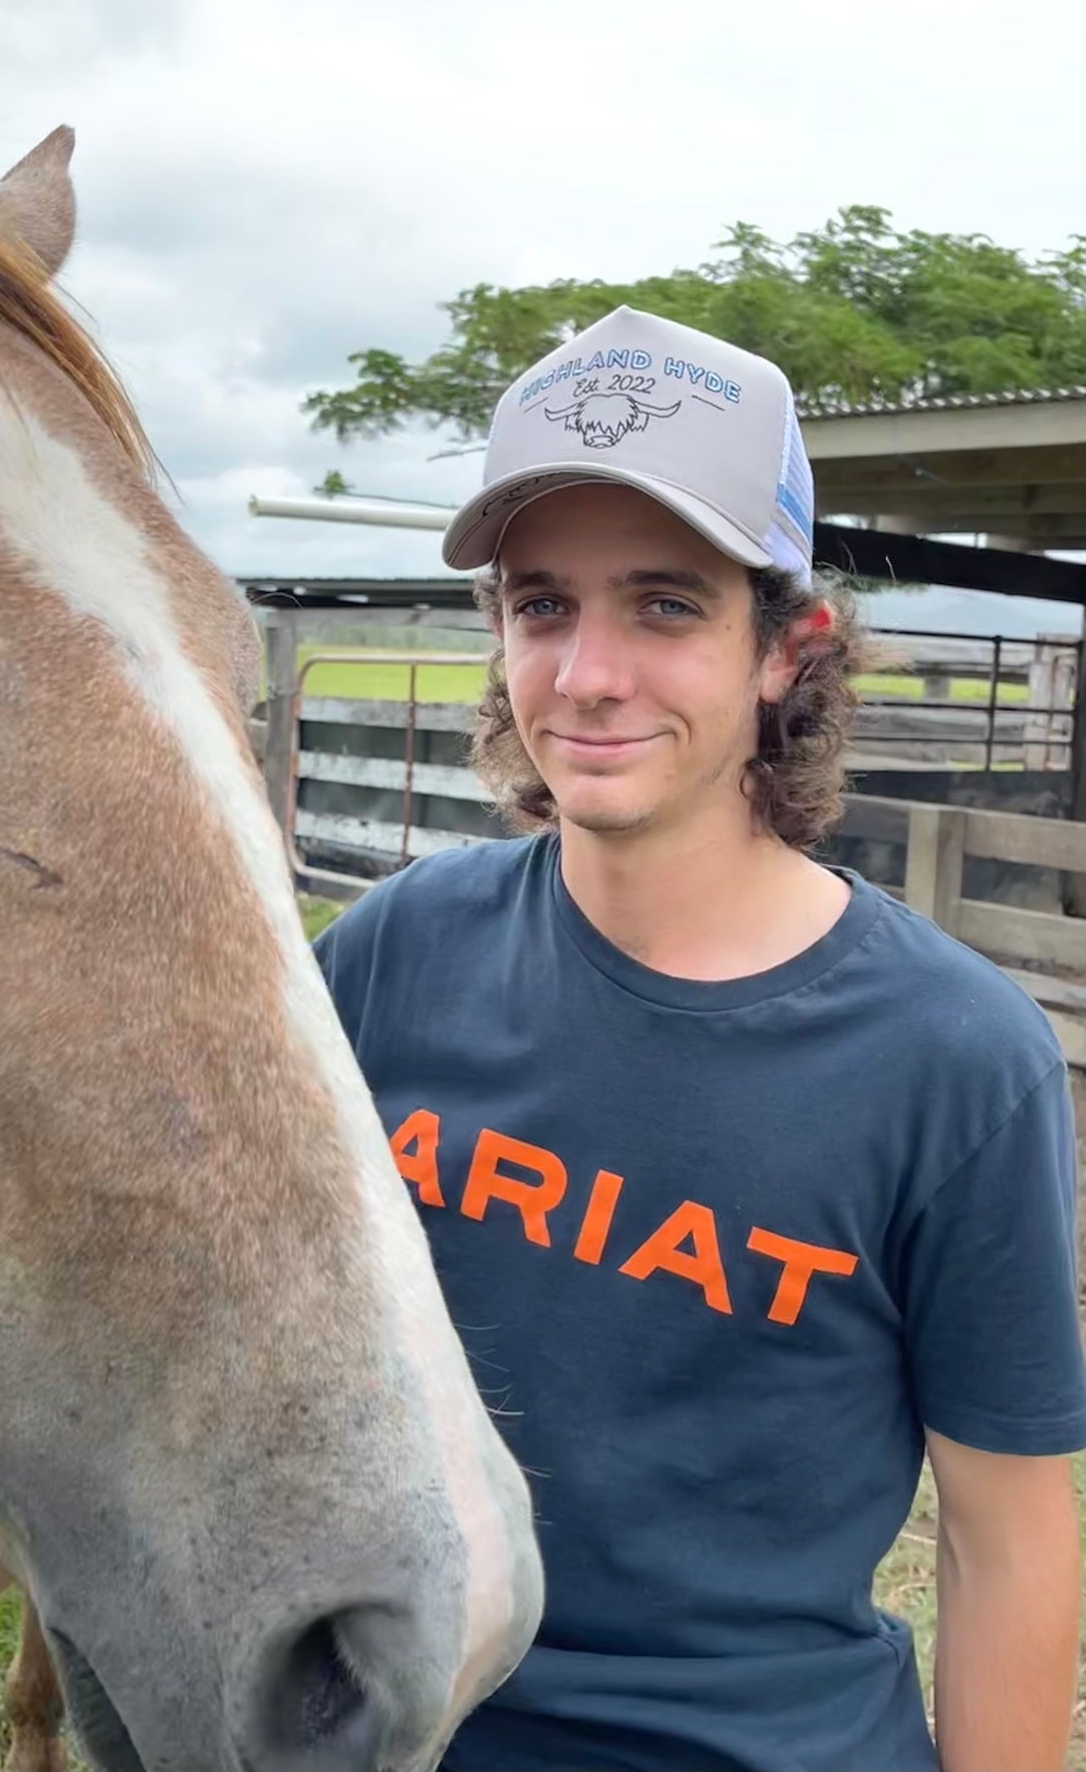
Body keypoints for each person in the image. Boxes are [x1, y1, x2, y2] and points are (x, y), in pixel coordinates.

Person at [312, 306, 1086, 1772]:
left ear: (782, 654)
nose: (586, 673)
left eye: (662, 606)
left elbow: (1004, 1545)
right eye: (542, 605)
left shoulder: (950, 1059)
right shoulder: (396, 955)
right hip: (408, 1728)